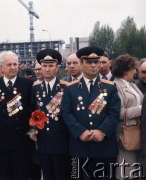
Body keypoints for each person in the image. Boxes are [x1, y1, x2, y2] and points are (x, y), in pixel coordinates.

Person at [61, 46, 121, 179]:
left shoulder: (110, 87)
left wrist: (102, 131)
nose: (94, 65)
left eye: (96, 62)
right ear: (81, 64)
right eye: (89, 62)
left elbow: (114, 112)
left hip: (104, 147)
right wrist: (79, 131)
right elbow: (66, 113)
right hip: (80, 147)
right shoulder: (71, 88)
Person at [0, 51, 33, 180]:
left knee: (21, 175)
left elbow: (31, 109)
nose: (13, 67)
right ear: (1, 67)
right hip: (0, 140)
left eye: (15, 64)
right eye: (9, 64)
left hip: (21, 140)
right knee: (3, 175)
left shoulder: (28, 84)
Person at [29, 49, 71, 180]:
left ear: (57, 67)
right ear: (40, 67)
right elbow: (31, 111)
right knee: (47, 176)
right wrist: (32, 129)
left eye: (51, 66)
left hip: (62, 141)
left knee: (63, 176)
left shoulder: (66, 87)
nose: (47, 69)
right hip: (43, 141)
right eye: (44, 66)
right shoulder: (35, 88)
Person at [112, 54, 144, 179]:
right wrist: (142, 109)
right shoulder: (116, 86)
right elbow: (119, 113)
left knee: (136, 171)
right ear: (126, 70)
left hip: (137, 132)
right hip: (125, 135)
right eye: (133, 69)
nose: (135, 72)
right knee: (126, 171)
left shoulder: (132, 85)